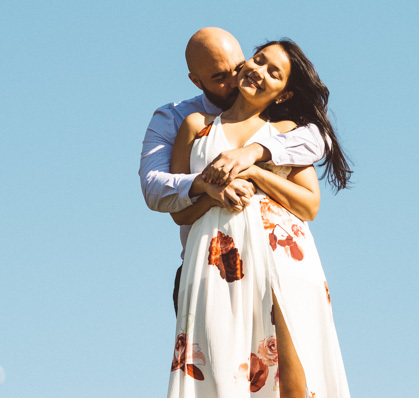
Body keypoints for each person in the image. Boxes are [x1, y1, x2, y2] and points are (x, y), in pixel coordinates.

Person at [167, 39, 351, 398]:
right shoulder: (196, 126)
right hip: (215, 263)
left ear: (283, 94)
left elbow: (309, 205)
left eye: (274, 72)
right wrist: (213, 191)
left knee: (293, 373)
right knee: (219, 371)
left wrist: (254, 172)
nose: (259, 71)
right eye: (259, 60)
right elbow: (178, 212)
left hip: (282, 259)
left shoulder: (285, 132)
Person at [140, 28, 328, 313]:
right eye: (218, 77)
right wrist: (208, 185)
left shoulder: (282, 121)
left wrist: (251, 155)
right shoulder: (179, 119)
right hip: (209, 265)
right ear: (196, 80)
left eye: (238, 67)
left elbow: (319, 140)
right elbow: (155, 187)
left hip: (278, 261)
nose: (235, 80)